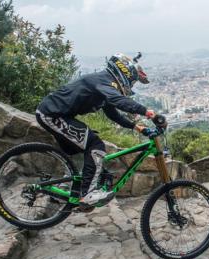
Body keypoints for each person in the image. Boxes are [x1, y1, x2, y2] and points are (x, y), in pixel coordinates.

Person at [36, 53, 154, 209]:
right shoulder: (104, 81)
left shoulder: (104, 82)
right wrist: (147, 111)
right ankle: (87, 193)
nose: (130, 86)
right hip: (52, 115)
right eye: (132, 82)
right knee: (95, 144)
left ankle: (64, 191)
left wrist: (135, 127)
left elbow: (112, 113)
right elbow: (117, 101)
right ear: (124, 73)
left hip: (56, 114)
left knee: (80, 152)